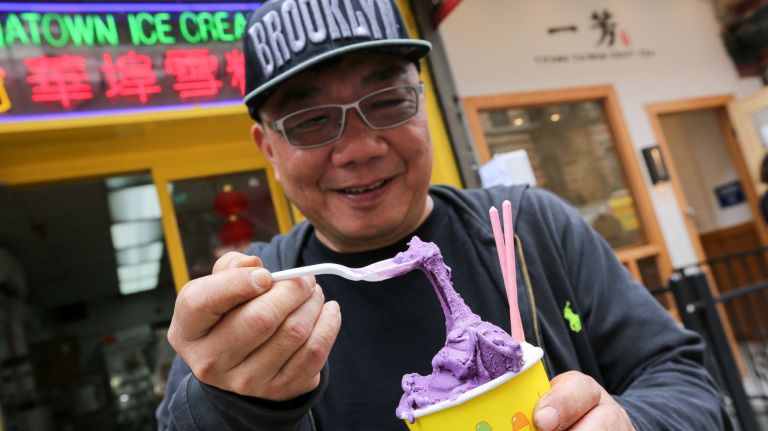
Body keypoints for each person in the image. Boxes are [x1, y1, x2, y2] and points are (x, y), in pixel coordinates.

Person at [156, 0, 732, 429]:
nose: (358, 148)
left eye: (386, 102)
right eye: (310, 121)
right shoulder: (260, 310)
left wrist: (631, 422)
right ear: (268, 150)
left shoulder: (529, 228)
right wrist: (234, 402)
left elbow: (684, 381)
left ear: (422, 104)